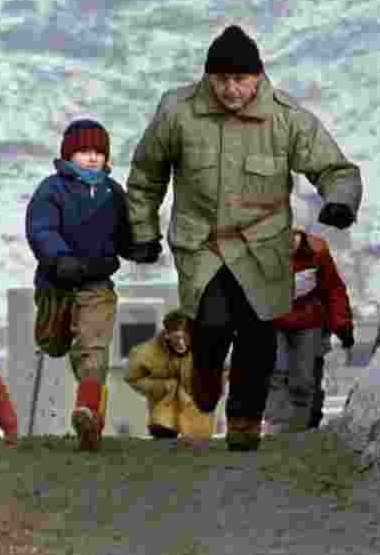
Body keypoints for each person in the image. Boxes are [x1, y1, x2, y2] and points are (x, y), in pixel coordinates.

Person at [125, 24, 362, 451]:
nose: (231, 90)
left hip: (263, 246)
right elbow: (146, 175)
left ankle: (244, 420)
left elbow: (335, 169)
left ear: (257, 77)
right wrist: (142, 231)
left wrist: (339, 202)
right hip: (202, 244)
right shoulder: (177, 113)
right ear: (208, 78)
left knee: (257, 334)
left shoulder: (287, 119)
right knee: (212, 324)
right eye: (222, 80)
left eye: (241, 79)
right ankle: (205, 372)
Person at [25, 118, 133, 451]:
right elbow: (40, 229)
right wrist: (58, 258)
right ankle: (91, 408)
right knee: (56, 343)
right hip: (57, 284)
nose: (92, 158)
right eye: (84, 151)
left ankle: (88, 413)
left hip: (97, 282)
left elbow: (126, 234)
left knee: (94, 346)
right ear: (69, 155)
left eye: (98, 152)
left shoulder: (114, 193)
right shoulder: (51, 189)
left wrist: (139, 246)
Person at [264, 227, 354, 433]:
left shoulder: (318, 252)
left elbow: (333, 289)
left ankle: (298, 428)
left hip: (309, 322)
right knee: (275, 373)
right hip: (274, 322)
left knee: (303, 378)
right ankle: (277, 426)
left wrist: (342, 325)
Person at [124, 310, 215, 444]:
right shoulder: (146, 353)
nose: (182, 343)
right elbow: (132, 377)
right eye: (177, 338)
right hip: (163, 405)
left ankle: (193, 429)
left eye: (186, 337)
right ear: (167, 335)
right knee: (164, 422)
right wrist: (160, 387)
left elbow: (221, 370)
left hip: (195, 402)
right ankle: (164, 425)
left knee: (199, 434)